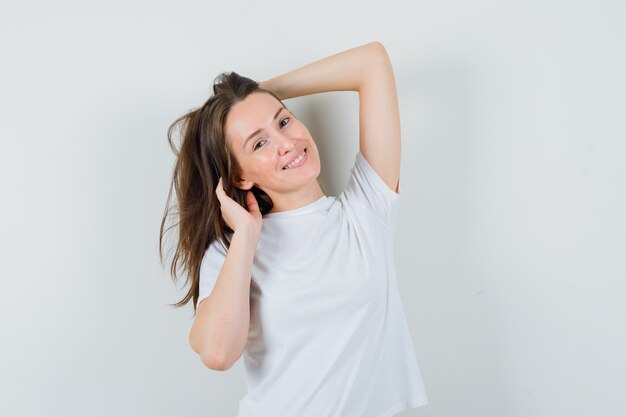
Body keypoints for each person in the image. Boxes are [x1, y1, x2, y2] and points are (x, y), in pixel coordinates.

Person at [160, 41, 428, 417]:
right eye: (259, 142)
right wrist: (246, 239)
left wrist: (261, 94)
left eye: (283, 120)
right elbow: (217, 353)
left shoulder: (367, 211)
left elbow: (372, 62)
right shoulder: (231, 251)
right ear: (238, 174)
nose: (287, 143)